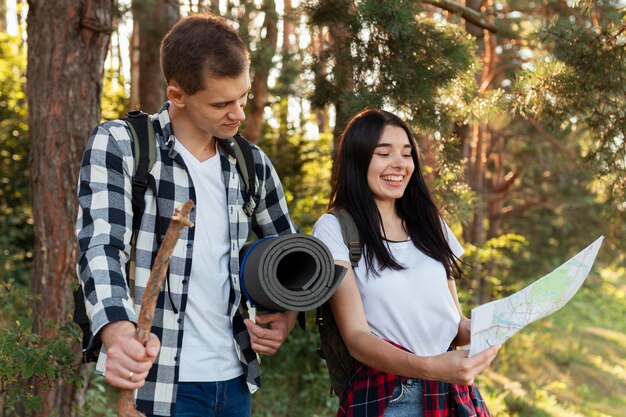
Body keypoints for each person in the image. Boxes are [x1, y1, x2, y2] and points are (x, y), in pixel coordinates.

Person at [76, 13, 299, 417]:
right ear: (177, 95)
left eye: (243, 97)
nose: (238, 114)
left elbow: (292, 255)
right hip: (157, 383)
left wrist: (287, 314)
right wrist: (118, 333)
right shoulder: (121, 146)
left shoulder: (252, 163)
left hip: (235, 383)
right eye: (221, 103)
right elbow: (100, 247)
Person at [312, 109, 500, 417]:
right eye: (384, 153)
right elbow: (357, 338)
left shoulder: (429, 222)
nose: (400, 164)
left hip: (453, 394)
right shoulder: (335, 228)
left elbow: (455, 325)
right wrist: (429, 368)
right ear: (357, 160)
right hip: (392, 398)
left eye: (407, 154)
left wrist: (497, 324)